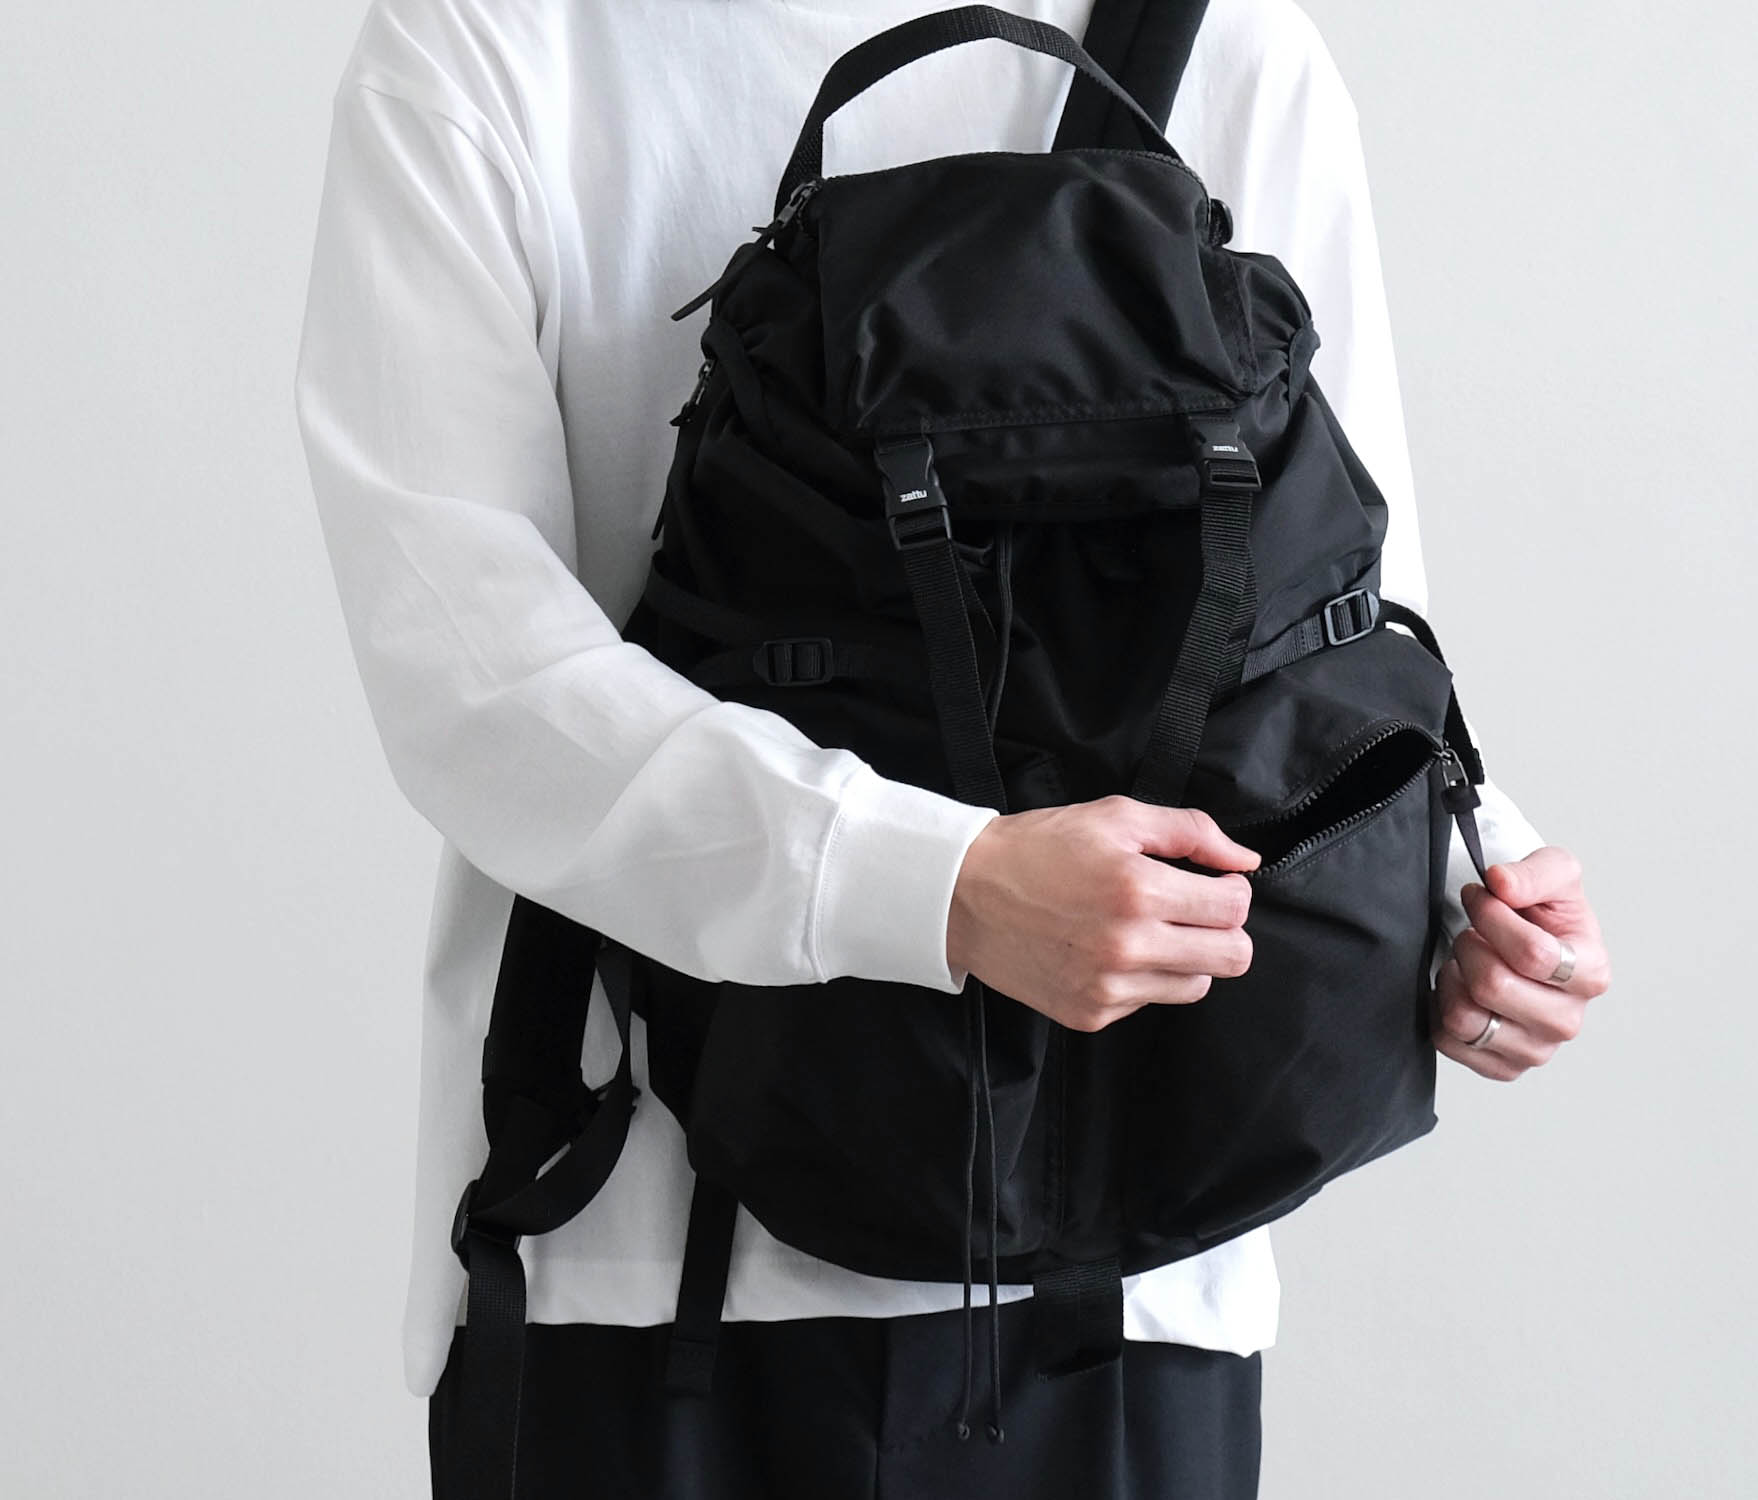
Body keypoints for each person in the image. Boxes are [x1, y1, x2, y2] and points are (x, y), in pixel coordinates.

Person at [294, 0, 1613, 1494]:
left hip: (1128, 1266)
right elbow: (471, 669)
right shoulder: (492, 44)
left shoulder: (1233, 48)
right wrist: (945, 887)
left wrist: (1467, 892)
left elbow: (1338, 623)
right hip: (638, 1253)